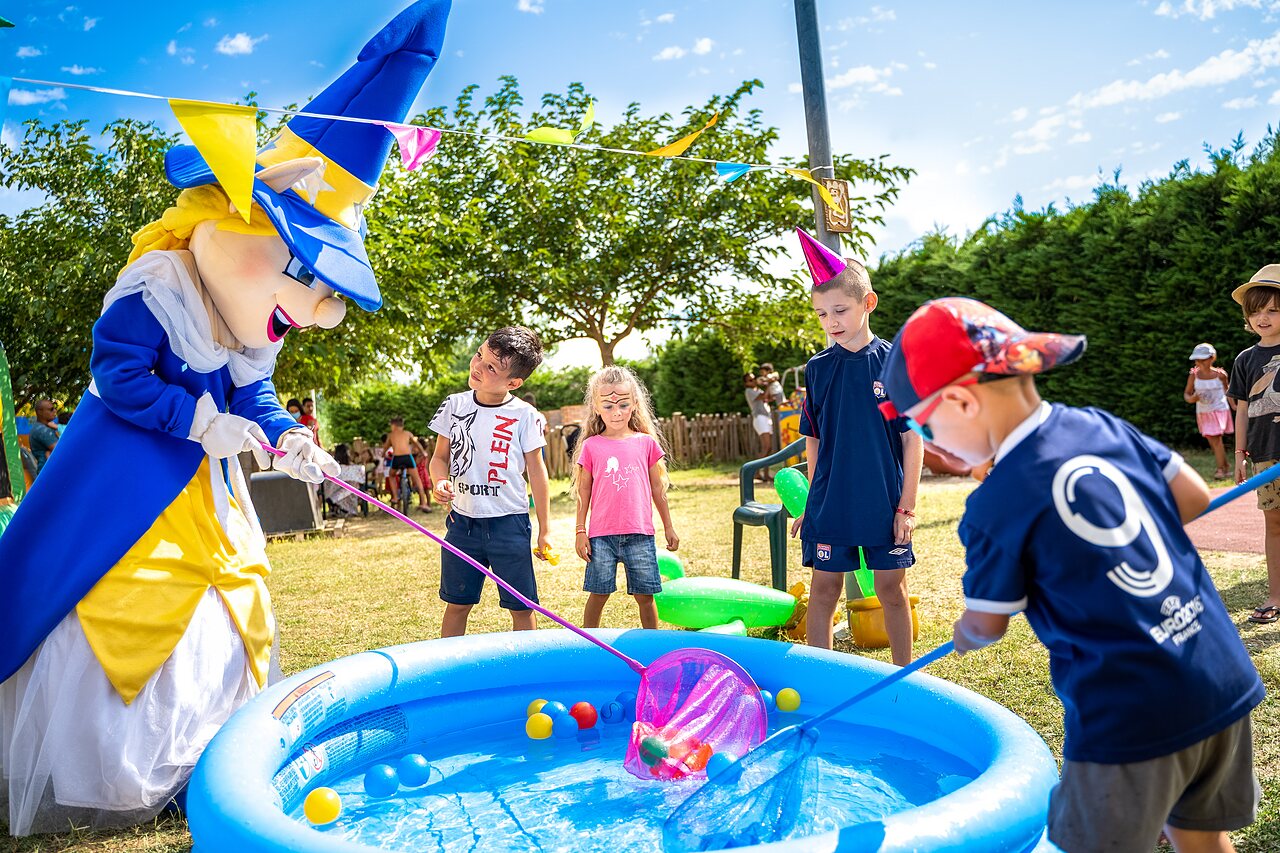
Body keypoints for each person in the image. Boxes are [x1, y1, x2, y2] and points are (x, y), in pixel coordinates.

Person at [879, 296, 1264, 853]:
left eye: (920, 423)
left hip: (1129, 714)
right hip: (1219, 675)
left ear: (961, 401)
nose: (928, 443)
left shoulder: (994, 506)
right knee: (1201, 837)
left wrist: (965, 633)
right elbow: (1194, 497)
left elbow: (988, 625)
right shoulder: (1100, 425)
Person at [789, 228, 922, 666]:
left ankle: (904, 679)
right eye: (822, 314)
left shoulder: (893, 364)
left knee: (891, 591)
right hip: (831, 502)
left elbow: (911, 438)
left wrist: (906, 508)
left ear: (868, 303)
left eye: (840, 310)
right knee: (823, 592)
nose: (831, 322)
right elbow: (815, 437)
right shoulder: (817, 369)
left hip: (884, 501)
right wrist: (812, 501)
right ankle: (822, 680)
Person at [429, 327, 551, 637]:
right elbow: (439, 457)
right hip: (462, 525)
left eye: (491, 367)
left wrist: (545, 530)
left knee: (521, 607)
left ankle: (527, 674)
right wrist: (439, 480)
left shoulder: (525, 415)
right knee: (457, 604)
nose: (477, 366)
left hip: (509, 525)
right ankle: (449, 670)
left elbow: (537, 472)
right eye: (479, 355)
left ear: (513, 382)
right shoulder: (454, 406)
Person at [573, 365, 678, 630]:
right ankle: (589, 643)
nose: (616, 412)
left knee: (645, 595)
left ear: (634, 404)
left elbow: (658, 489)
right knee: (598, 593)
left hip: (640, 534)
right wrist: (580, 531)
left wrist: (668, 526)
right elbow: (583, 491)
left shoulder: (646, 443)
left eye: (622, 404)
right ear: (596, 407)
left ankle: (652, 646)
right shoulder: (592, 446)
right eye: (608, 406)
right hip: (600, 537)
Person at [1228, 265, 1280, 625]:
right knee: (1274, 524)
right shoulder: (1245, 360)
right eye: (1256, 310)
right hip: (1264, 455)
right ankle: (1276, 594)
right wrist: (1239, 455)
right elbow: (1243, 411)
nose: (1263, 317)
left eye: (1273, 309)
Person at [383, 417, 431, 511]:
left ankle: (395, 497)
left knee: (391, 475)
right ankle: (424, 503)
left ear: (394, 426)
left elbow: (385, 448)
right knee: (417, 479)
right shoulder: (407, 433)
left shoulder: (391, 435)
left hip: (397, 458)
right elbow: (417, 444)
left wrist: (382, 454)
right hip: (407, 458)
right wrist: (423, 452)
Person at [744, 374, 773, 481]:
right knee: (766, 446)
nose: (753, 381)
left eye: (753, 379)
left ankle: (765, 474)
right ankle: (755, 472)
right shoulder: (749, 391)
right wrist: (769, 384)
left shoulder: (758, 390)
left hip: (766, 418)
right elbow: (764, 396)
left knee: (769, 448)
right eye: (750, 380)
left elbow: (769, 398)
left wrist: (770, 385)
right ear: (746, 383)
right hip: (759, 418)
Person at [27, 399, 59, 475]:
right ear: (40, 412)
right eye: (51, 409)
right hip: (48, 473)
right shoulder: (41, 430)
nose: (55, 411)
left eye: (54, 408)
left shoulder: (42, 427)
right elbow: (60, 450)